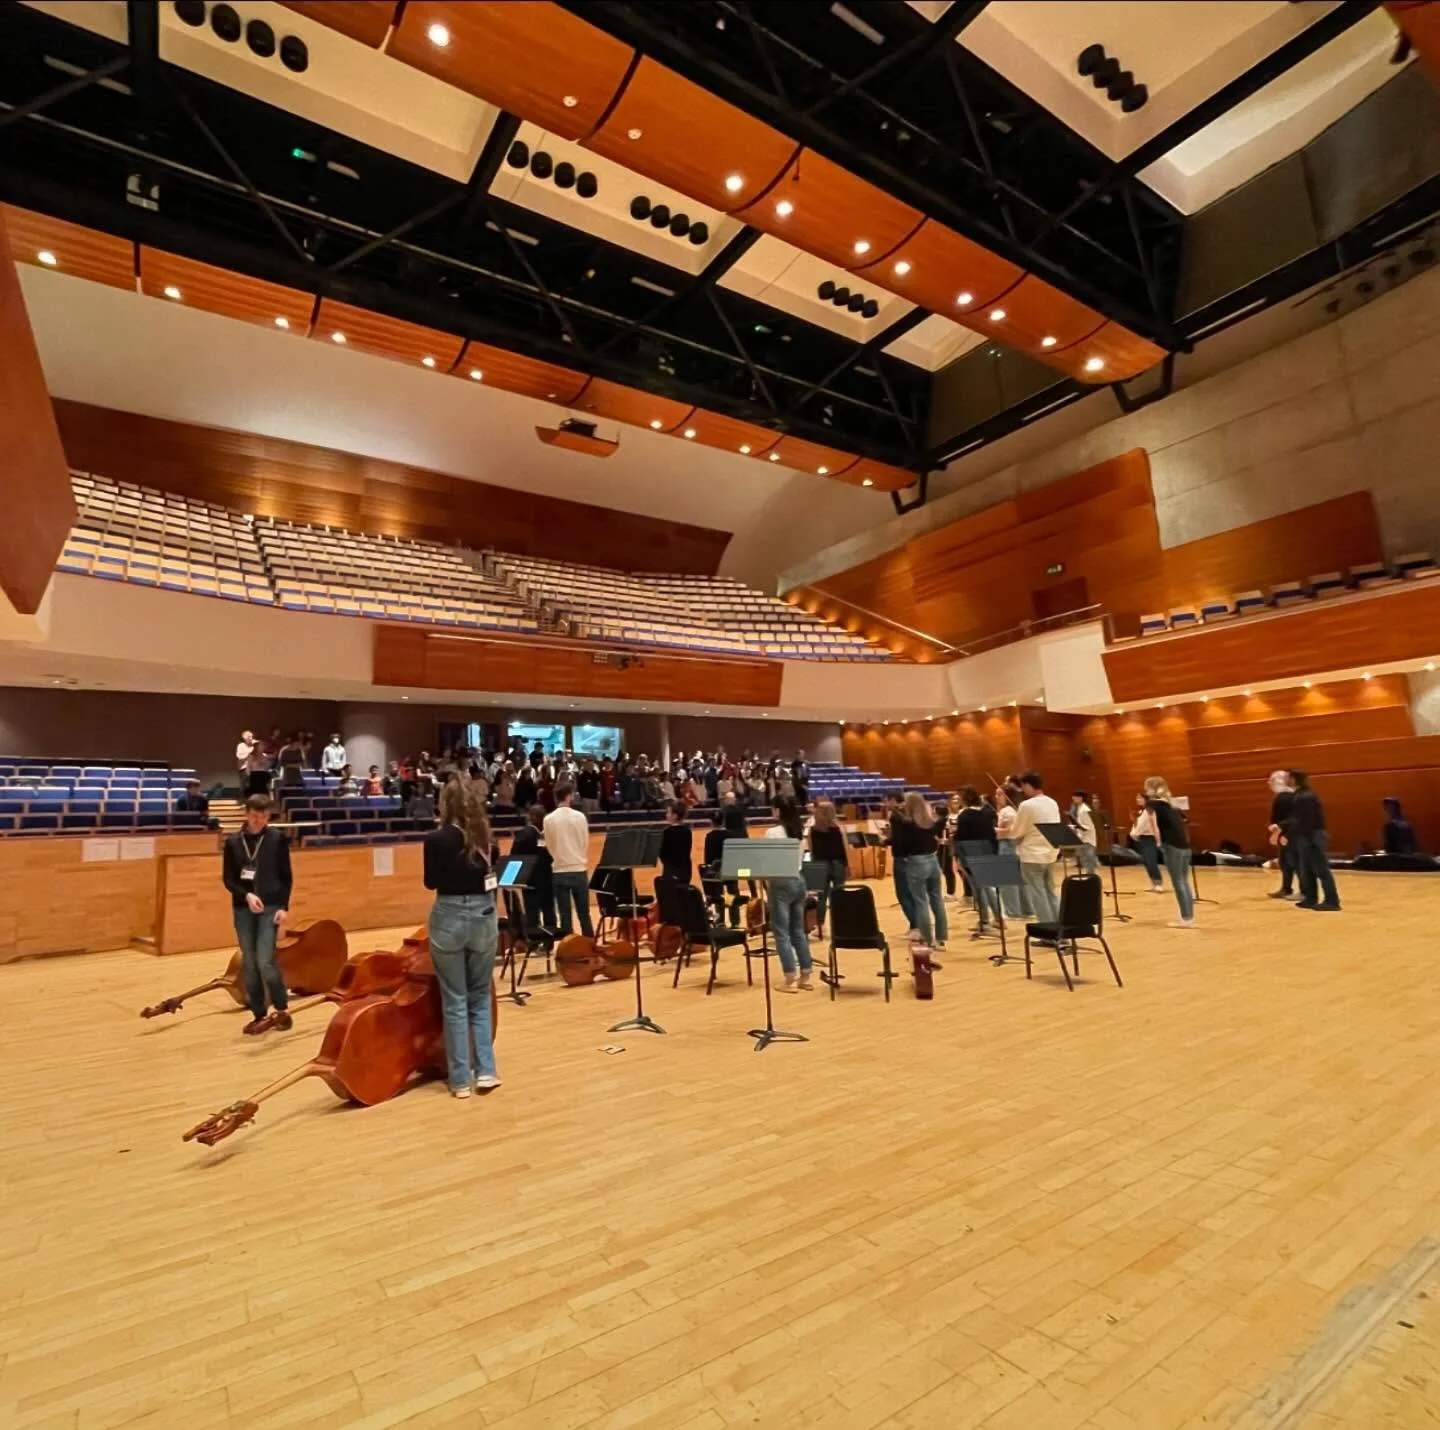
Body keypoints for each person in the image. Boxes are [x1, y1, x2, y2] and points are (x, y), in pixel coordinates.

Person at [423, 777, 500, 1097]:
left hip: (449, 917)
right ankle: (486, 1072)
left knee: (454, 998)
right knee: (480, 994)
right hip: (483, 917)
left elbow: (431, 882)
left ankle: (459, 1081)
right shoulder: (488, 841)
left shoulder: (436, 839)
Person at [221, 795, 293, 1035]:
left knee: (265, 960)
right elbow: (229, 879)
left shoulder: (277, 839)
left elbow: (286, 876)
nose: (259, 820)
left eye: (264, 816)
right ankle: (259, 1014)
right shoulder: (233, 843)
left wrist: (283, 907)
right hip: (243, 909)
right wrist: (247, 896)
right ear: (246, 814)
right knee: (249, 962)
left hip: (271, 907)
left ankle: (281, 1009)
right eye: (255, 816)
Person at [766, 797, 813, 992]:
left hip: (781, 881)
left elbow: (766, 859)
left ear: (777, 811)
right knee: (798, 931)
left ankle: (789, 977)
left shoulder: (772, 833)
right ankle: (805, 975)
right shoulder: (799, 832)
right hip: (798, 879)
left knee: (781, 932)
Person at [893, 792, 948, 951]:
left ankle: (927, 939)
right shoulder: (930, 822)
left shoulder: (907, 824)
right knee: (937, 899)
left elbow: (901, 847)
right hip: (933, 860)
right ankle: (940, 939)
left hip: (916, 862)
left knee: (921, 901)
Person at [1008, 771, 1061, 924]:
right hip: (1050, 853)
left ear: (1029, 785)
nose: (1022, 790)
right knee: (1050, 892)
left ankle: (1047, 932)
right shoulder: (1052, 802)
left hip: (1032, 855)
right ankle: (1058, 927)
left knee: (1038, 894)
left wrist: (1015, 834)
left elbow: (1017, 832)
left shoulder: (1026, 805)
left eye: (1023, 786)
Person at [1144, 777, 1196, 928]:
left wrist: (1159, 843)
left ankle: (1186, 919)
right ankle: (1189, 917)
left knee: (1177, 882)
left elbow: (1155, 826)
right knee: (1184, 881)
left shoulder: (1152, 804)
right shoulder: (1171, 803)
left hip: (1171, 845)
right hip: (1184, 845)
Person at [544, 780, 593, 938]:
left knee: (565, 916)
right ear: (569, 796)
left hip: (559, 870)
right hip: (579, 869)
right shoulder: (580, 817)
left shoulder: (548, 819)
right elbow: (585, 841)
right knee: (584, 914)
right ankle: (590, 946)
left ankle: (569, 951)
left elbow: (549, 846)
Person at [1288, 769, 1341, 911]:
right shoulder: (1301, 795)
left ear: (1294, 779)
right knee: (1307, 870)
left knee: (1321, 869)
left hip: (1311, 836)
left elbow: (1306, 821)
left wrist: (1305, 838)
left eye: (1289, 777)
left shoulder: (1305, 797)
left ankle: (1332, 901)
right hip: (1306, 836)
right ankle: (1311, 898)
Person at [952, 786, 999, 933]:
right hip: (988, 851)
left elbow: (962, 838)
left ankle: (984, 921)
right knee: (988, 887)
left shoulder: (965, 815)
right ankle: (998, 918)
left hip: (971, 853)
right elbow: (992, 835)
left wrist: (957, 856)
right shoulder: (987, 812)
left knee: (978, 889)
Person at [509, 803, 555, 933]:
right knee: (548, 910)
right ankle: (548, 942)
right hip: (546, 879)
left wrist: (512, 878)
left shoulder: (523, 834)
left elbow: (514, 855)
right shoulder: (545, 835)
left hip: (529, 880)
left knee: (532, 912)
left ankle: (534, 942)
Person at [807, 798, 848, 933]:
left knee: (821, 897)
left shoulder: (813, 830)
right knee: (839, 895)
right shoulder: (838, 828)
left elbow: (812, 849)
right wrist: (848, 866)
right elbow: (845, 848)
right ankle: (841, 925)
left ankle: (820, 926)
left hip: (820, 864)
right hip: (837, 864)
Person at [994, 782, 1030, 919]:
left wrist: (994, 830)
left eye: (999, 794)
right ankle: (1026, 909)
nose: (996, 797)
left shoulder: (1006, 811)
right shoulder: (1015, 809)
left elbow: (1010, 830)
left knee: (1007, 880)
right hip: (1015, 845)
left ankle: (1012, 911)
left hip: (1007, 844)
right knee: (1018, 879)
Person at [1266, 771, 1297, 900]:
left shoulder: (1284, 797)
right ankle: (1286, 888)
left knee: (1290, 862)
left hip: (1288, 833)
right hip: (1286, 832)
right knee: (1286, 862)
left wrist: (1280, 832)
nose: (1269, 783)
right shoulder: (1289, 795)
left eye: (1271, 780)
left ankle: (1292, 889)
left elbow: (1288, 818)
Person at [1129, 792, 1164, 892]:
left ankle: (1159, 883)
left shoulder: (1150, 811)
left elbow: (1151, 826)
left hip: (1150, 838)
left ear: (1145, 799)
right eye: (1137, 798)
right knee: (1146, 862)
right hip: (1142, 839)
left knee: (1151, 861)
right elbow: (1138, 826)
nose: (1137, 800)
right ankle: (1154, 883)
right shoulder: (1142, 811)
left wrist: (1158, 841)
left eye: (1140, 798)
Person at [659, 800, 693, 885]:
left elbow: (662, 852)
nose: (666, 815)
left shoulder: (666, 832)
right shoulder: (687, 831)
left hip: (670, 869)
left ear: (675, 816)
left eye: (668, 813)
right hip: (685, 868)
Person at [1070, 790, 1099, 876]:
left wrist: (1076, 826)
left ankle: (1092, 878)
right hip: (1083, 838)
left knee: (1089, 861)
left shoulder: (1085, 810)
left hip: (1088, 839)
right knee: (1085, 860)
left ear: (1081, 798)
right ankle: (1090, 877)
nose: (1073, 798)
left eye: (1075, 796)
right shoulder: (1080, 808)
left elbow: (1088, 826)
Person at [237, 729, 269, 797]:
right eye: (249, 736)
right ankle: (245, 801)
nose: (251, 738)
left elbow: (263, 756)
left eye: (251, 736)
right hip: (244, 768)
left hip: (257, 771)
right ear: (244, 738)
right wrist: (250, 753)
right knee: (244, 787)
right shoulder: (241, 746)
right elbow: (240, 757)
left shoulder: (255, 745)